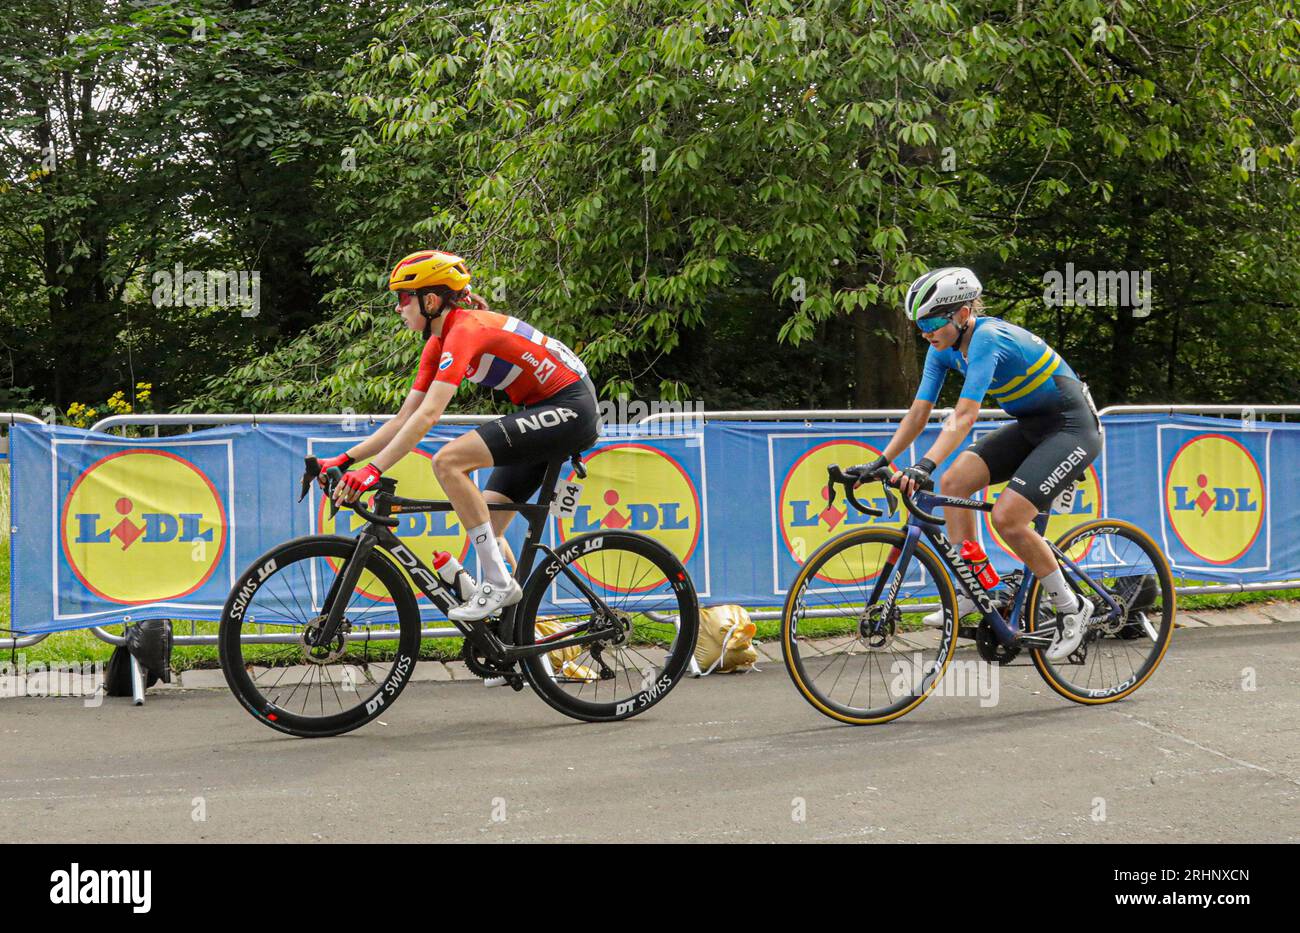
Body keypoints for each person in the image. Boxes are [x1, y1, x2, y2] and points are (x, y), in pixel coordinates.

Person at [323, 249, 600, 622]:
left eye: (403, 298)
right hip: (545, 410)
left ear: (431, 300)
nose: (398, 308)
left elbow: (430, 415)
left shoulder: (465, 329)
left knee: (449, 461)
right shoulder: (437, 343)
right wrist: (346, 459)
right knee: (487, 521)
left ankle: (499, 585)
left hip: (571, 409)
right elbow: (405, 417)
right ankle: (512, 636)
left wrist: (373, 471)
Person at [854, 267, 1103, 662]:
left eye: (934, 321)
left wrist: (924, 465)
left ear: (963, 312)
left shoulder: (988, 337)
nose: (926, 332)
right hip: (1031, 425)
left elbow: (965, 416)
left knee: (1008, 518)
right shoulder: (941, 351)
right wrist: (881, 461)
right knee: (952, 486)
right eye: (920, 324)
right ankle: (980, 589)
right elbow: (919, 414)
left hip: (1072, 428)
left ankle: (1072, 608)